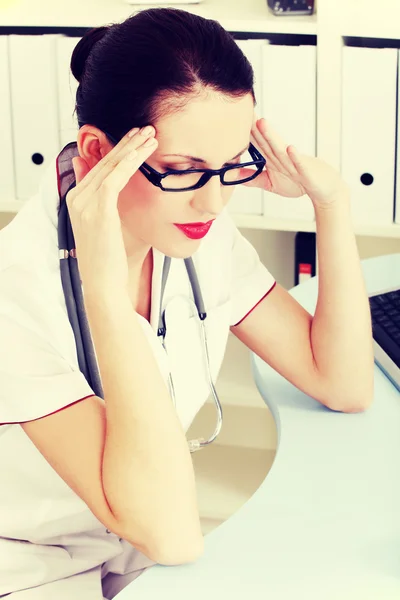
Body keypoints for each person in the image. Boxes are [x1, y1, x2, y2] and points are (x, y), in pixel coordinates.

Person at [0, 7, 374, 599]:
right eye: (184, 170)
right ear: (97, 153)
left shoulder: (191, 228)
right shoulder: (13, 293)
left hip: (138, 553)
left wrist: (330, 205)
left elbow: (343, 384)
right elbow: (171, 535)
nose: (214, 203)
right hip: (27, 568)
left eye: (231, 167)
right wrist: (103, 289)